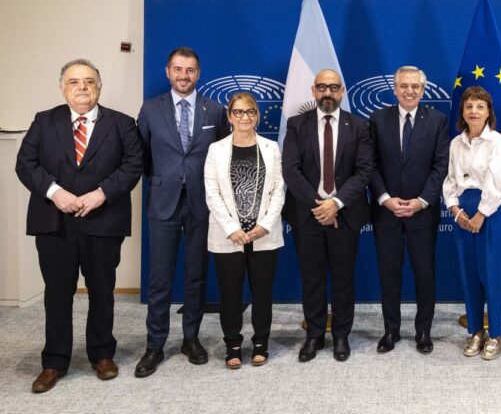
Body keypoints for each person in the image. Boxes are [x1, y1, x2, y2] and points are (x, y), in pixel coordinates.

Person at [15, 59, 143, 393]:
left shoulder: (122, 124)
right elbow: (25, 164)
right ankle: (54, 361)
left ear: (99, 86)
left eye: (89, 81)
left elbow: (133, 165)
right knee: (57, 294)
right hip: (54, 222)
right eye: (74, 82)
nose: (82, 87)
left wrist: (101, 194)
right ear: (62, 87)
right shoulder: (44, 121)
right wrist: (56, 194)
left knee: (102, 291)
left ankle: (102, 354)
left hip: (103, 220)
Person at [135, 47, 229, 377]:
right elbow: (142, 156)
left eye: (190, 70)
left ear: (198, 73)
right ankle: (155, 345)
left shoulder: (215, 111)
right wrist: (163, 180)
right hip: (163, 201)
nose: (183, 76)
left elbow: (222, 155)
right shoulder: (150, 109)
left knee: (196, 275)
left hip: (202, 203)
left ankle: (191, 338)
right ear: (167, 72)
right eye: (177, 69)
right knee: (159, 279)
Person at [282, 69, 373, 362]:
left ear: (342, 91)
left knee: (344, 278)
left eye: (333, 87)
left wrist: (336, 204)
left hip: (344, 215)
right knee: (312, 278)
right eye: (322, 87)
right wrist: (319, 205)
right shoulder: (297, 125)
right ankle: (314, 334)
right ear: (313, 90)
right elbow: (290, 170)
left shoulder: (359, 126)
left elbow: (364, 172)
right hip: (307, 214)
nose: (328, 93)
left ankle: (342, 335)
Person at [369, 66, 450, 354]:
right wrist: (385, 198)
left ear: (423, 89)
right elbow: (371, 165)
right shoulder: (378, 119)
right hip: (386, 212)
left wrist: (421, 201)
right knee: (389, 274)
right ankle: (391, 330)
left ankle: (423, 331)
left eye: (415, 86)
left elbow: (441, 166)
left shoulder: (438, 121)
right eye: (404, 85)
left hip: (423, 212)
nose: (409, 91)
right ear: (394, 88)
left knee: (424, 274)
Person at [204, 93, 285, 368]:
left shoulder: (271, 147)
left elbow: (278, 190)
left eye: (250, 112)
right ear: (229, 116)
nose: (244, 117)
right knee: (230, 294)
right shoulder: (216, 149)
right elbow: (212, 193)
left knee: (262, 292)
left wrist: (265, 224)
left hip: (263, 235)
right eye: (238, 112)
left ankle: (261, 342)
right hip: (229, 236)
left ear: (257, 116)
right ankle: (233, 344)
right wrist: (231, 228)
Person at [442, 86, 501, 360]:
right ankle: (475, 331)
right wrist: (456, 210)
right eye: (469, 106)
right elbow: (450, 180)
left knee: (491, 274)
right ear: (463, 111)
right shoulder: (456, 143)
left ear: (488, 112)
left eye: (479, 106)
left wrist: (481, 214)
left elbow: (500, 182)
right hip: (463, 211)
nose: (473, 111)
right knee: (469, 274)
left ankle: (495, 334)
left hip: (490, 212)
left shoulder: (497, 142)